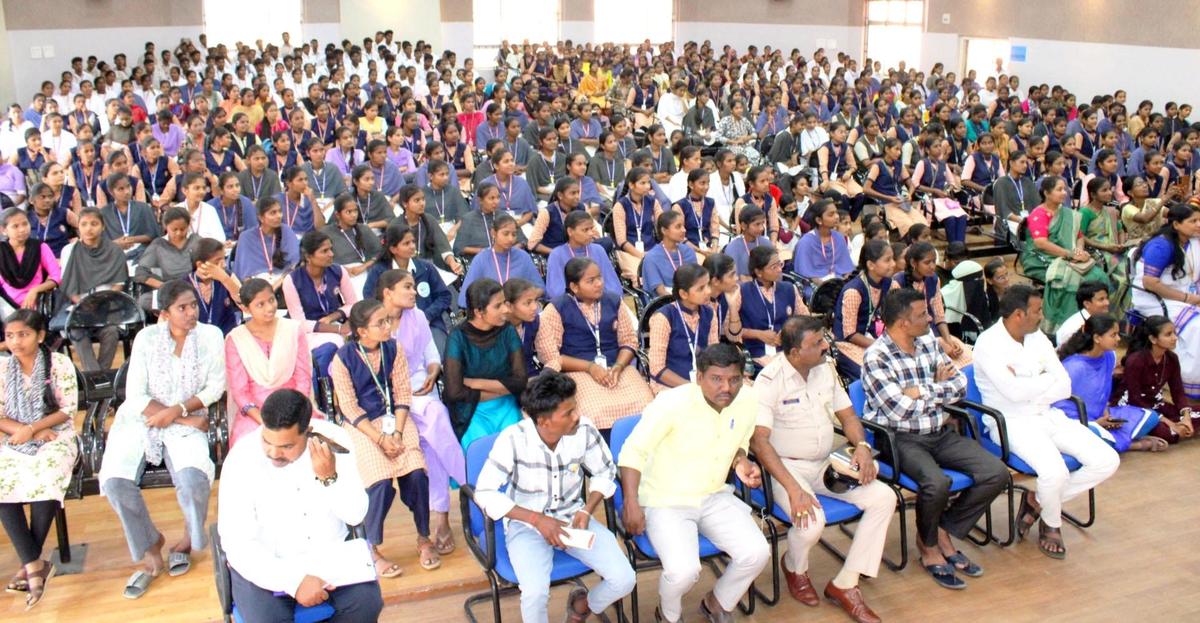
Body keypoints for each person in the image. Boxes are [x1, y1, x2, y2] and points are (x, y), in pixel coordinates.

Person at [861, 288, 1007, 590]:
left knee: (996, 473)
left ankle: (944, 529)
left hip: (939, 432)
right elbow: (899, 410)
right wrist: (936, 390)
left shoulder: (928, 342)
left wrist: (922, 390)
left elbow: (960, 384)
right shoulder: (876, 356)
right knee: (936, 484)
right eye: (922, 315)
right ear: (902, 322)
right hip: (899, 439)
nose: (930, 318)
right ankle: (928, 547)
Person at [751, 315, 893, 623]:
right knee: (811, 522)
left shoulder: (825, 369)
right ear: (793, 353)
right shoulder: (769, 381)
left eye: (823, 339)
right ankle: (794, 567)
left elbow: (849, 417)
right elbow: (760, 443)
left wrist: (863, 449)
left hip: (826, 462)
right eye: (816, 344)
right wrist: (792, 489)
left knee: (884, 497)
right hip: (786, 468)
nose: (826, 346)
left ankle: (846, 583)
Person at [617, 343, 770, 623]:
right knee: (683, 571)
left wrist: (741, 462)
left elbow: (740, 444)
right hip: (666, 499)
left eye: (734, 379)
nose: (727, 387)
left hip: (713, 495)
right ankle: (668, 614)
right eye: (716, 379)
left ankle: (716, 603)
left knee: (757, 552)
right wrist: (630, 503)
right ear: (698, 377)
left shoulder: (747, 401)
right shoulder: (671, 404)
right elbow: (632, 452)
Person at [473, 371, 636, 623]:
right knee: (535, 594)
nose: (577, 416)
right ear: (543, 421)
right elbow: (484, 492)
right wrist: (537, 520)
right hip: (527, 527)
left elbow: (605, 472)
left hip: (573, 519)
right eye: (568, 413)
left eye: (575, 408)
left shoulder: (583, 430)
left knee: (625, 578)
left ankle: (582, 606)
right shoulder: (513, 440)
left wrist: (586, 511)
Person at [98, 280, 226, 598]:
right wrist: (178, 416)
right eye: (182, 307)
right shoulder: (146, 338)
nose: (191, 312)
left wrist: (180, 411)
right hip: (142, 418)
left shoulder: (211, 336)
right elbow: (136, 393)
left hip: (183, 420)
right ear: (165, 313)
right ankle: (150, 547)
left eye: (193, 305)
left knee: (194, 478)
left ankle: (185, 540)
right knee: (115, 481)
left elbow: (214, 387)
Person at [972, 285, 1120, 559]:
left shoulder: (1037, 336)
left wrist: (1027, 381)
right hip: (1011, 422)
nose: (1042, 315)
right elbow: (1013, 394)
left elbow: (1064, 384)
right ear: (1018, 314)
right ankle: (1052, 525)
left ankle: (1037, 500)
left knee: (1107, 460)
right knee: (1054, 473)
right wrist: (1042, 380)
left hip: (1048, 414)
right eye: (1037, 310)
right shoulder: (988, 344)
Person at [216, 389, 384, 623]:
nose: (273, 453)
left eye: (286, 446)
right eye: (267, 440)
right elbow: (238, 544)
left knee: (367, 606)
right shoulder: (241, 460)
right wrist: (293, 581)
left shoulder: (334, 442)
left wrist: (330, 478)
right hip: (266, 564)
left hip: (328, 558)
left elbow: (355, 515)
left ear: (307, 433)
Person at [330, 299, 438, 575]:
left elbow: (402, 392)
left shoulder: (394, 348)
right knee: (377, 482)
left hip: (397, 420)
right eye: (380, 323)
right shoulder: (342, 359)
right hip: (363, 426)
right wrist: (380, 439)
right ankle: (371, 548)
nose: (387, 326)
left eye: (387, 321)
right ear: (361, 331)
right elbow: (349, 407)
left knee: (416, 473)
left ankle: (424, 537)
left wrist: (398, 432)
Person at [376, 269, 464, 554]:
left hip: (420, 389)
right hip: (386, 399)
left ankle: (442, 517)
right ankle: (469, 484)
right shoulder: (373, 320)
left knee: (435, 428)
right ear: (388, 292)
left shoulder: (418, 317)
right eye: (408, 287)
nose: (415, 293)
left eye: (414, 287)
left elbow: (431, 356)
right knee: (431, 439)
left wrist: (432, 372)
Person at [0, 310, 78, 609]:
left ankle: (30, 565)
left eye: (23, 334)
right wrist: (26, 432)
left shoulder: (58, 363)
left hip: (56, 435)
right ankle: (35, 564)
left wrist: (36, 428)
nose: (16, 342)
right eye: (10, 336)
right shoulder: (4, 369)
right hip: (18, 438)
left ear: (40, 335)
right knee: (3, 482)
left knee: (47, 476)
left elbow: (67, 410)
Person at [537, 257, 652, 432]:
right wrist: (590, 367)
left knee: (646, 402)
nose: (599, 284)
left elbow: (628, 341)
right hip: (578, 371)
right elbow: (551, 357)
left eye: (599, 278)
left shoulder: (614, 301)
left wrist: (619, 367)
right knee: (593, 411)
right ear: (574, 287)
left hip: (616, 368)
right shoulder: (556, 308)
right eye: (591, 281)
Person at [1056, 315, 1166, 452]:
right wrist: (1095, 424)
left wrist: (1106, 415)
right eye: (1113, 335)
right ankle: (1132, 445)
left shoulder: (1109, 356)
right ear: (1097, 338)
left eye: (1118, 334)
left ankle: (1112, 440)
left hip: (1100, 416)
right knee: (1091, 435)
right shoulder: (1074, 367)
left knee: (1150, 417)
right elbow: (1058, 408)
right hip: (1075, 423)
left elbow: (1103, 394)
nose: (1119, 339)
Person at [224, 278, 313, 448]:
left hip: (294, 407)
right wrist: (266, 421)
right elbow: (240, 392)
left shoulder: (293, 330)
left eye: (271, 300)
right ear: (245, 308)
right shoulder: (236, 339)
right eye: (260, 304)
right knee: (248, 449)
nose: (270, 308)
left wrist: (293, 414)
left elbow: (303, 378)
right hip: (255, 414)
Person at [442, 278, 527, 449]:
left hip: (506, 404)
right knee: (478, 448)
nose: (506, 310)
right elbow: (454, 392)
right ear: (479, 312)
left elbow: (520, 381)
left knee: (515, 445)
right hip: (471, 410)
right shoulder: (457, 337)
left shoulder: (507, 330)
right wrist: (504, 388)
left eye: (505, 303)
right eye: (498, 306)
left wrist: (474, 383)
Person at [1020, 175, 1108, 332]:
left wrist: (1078, 251)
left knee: (1099, 276)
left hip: (1069, 257)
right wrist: (1069, 254)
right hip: (1041, 259)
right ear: (1046, 193)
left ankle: (1095, 320)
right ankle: (1063, 326)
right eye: (1059, 189)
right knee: (1071, 279)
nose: (1064, 193)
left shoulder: (1068, 213)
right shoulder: (1039, 214)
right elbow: (1040, 243)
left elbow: (1079, 236)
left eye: (1065, 189)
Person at [1133, 202, 1200, 403]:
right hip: (1154, 299)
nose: (1198, 225)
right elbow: (1149, 282)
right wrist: (1190, 299)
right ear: (1176, 224)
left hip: (1183, 295)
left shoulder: (1193, 242)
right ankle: (1189, 379)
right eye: (1193, 221)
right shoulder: (1161, 245)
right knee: (1197, 326)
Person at [57, 207, 128, 371]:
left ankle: (98, 379)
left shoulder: (114, 250)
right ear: (78, 227)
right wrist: (82, 303)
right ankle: (96, 377)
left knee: (111, 332)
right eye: (84, 224)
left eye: (94, 224)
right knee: (76, 331)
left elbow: (119, 283)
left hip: (108, 304)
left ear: (103, 226)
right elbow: (68, 285)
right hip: (80, 305)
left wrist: (103, 301)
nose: (89, 228)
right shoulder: (69, 251)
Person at [364, 224, 453, 354]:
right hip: (392, 325)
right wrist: (389, 317)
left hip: (430, 323)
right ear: (393, 249)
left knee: (440, 355)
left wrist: (427, 316)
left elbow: (444, 296)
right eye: (406, 243)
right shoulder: (379, 271)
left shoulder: (426, 268)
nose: (412, 246)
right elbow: (369, 297)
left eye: (413, 242)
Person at [1116, 315, 1199, 444]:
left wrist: (1186, 418)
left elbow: (1178, 392)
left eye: (1174, 333)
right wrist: (1168, 422)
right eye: (1168, 334)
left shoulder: (1171, 358)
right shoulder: (1136, 361)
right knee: (1167, 433)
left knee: (1186, 419)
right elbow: (1135, 400)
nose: (1175, 338)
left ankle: (1180, 426)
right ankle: (1163, 429)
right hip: (1134, 408)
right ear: (1153, 339)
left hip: (1157, 404)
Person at [894, 243, 973, 368]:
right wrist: (938, 343)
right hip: (910, 336)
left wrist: (948, 340)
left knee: (966, 358)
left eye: (934, 261)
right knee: (944, 365)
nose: (932, 266)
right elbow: (899, 324)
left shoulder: (934, 279)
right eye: (927, 262)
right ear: (914, 263)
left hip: (933, 332)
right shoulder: (897, 282)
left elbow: (939, 316)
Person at [648, 263, 719, 394]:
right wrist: (692, 388)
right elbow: (657, 369)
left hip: (702, 381)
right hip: (670, 385)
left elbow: (714, 355)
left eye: (708, 285)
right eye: (701, 288)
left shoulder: (709, 313)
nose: (708, 291)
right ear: (684, 294)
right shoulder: (663, 318)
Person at [282, 230, 358, 351]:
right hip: (308, 331)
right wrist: (338, 330)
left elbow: (353, 304)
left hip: (336, 323)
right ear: (308, 256)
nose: (331, 254)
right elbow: (299, 323)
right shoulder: (292, 280)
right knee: (332, 346)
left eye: (331, 249)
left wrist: (333, 317)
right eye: (324, 251)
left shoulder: (338, 271)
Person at [834, 240, 895, 379]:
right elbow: (850, 334)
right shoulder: (854, 291)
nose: (893, 264)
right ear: (871, 265)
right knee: (874, 374)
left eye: (893, 259)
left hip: (877, 339)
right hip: (849, 344)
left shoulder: (890, 284)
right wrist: (880, 346)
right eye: (887, 260)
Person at [457, 212, 543, 307]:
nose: (510, 239)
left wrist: (521, 299)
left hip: (518, 311)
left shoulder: (523, 257)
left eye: (514, 235)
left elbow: (540, 288)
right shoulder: (481, 259)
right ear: (493, 233)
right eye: (505, 234)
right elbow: (464, 299)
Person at [739, 246, 807, 363]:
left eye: (780, 264)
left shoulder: (789, 288)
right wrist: (758, 334)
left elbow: (805, 318)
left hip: (787, 349)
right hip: (756, 353)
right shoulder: (742, 292)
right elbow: (730, 331)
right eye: (773, 267)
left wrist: (788, 330)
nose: (780, 270)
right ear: (759, 272)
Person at [545, 210, 622, 300]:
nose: (591, 233)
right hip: (571, 306)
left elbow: (613, 285)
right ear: (570, 231)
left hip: (600, 302)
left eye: (591, 229)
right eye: (585, 230)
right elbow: (556, 291)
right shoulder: (557, 255)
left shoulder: (598, 250)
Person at [231, 196, 301, 287]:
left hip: (283, 282)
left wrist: (276, 285)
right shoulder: (246, 237)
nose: (279, 216)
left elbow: (294, 265)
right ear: (261, 217)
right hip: (256, 286)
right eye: (273, 213)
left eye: (280, 211)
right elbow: (244, 275)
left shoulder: (286, 231)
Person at [321, 193, 382, 297]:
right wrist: (340, 268)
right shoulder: (326, 233)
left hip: (363, 271)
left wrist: (364, 266)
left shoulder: (363, 229)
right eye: (349, 212)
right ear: (337, 215)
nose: (354, 215)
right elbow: (321, 258)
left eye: (355, 211)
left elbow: (381, 253)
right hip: (336, 273)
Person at [794, 198, 854, 285]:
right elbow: (805, 274)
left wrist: (845, 283)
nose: (837, 217)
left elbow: (846, 268)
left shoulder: (839, 238)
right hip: (814, 285)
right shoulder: (805, 243)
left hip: (838, 282)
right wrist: (825, 287)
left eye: (836, 213)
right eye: (831, 214)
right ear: (819, 220)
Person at [642, 210, 698, 298]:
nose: (684, 230)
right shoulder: (652, 258)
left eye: (683, 226)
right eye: (678, 227)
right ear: (664, 230)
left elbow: (696, 281)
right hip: (665, 303)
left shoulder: (689, 252)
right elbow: (661, 292)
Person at [1055, 281, 1109, 345]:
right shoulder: (1074, 329)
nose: (1107, 303)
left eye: (1107, 298)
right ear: (1087, 304)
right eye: (1101, 299)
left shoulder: (1099, 319)